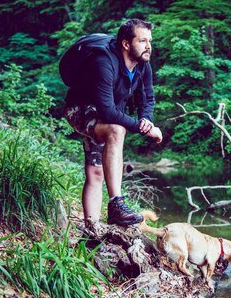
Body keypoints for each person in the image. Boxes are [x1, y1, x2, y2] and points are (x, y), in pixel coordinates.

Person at [64, 19, 163, 231]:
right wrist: (142, 128)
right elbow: (107, 111)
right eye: (142, 40)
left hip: (107, 113)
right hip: (80, 109)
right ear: (126, 44)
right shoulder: (104, 62)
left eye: (150, 41)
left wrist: (146, 120)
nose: (148, 46)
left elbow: (147, 98)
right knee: (116, 131)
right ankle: (116, 204)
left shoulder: (142, 65)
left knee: (96, 172)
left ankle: (91, 229)